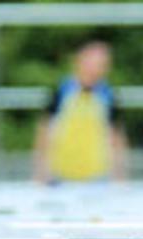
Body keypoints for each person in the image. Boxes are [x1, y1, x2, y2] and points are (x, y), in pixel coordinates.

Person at [33, 41, 128, 184]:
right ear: (79, 61)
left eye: (103, 64)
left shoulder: (108, 95)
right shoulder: (61, 91)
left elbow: (117, 137)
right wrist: (40, 173)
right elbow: (44, 131)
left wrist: (120, 177)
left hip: (98, 180)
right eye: (94, 63)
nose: (98, 69)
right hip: (60, 178)